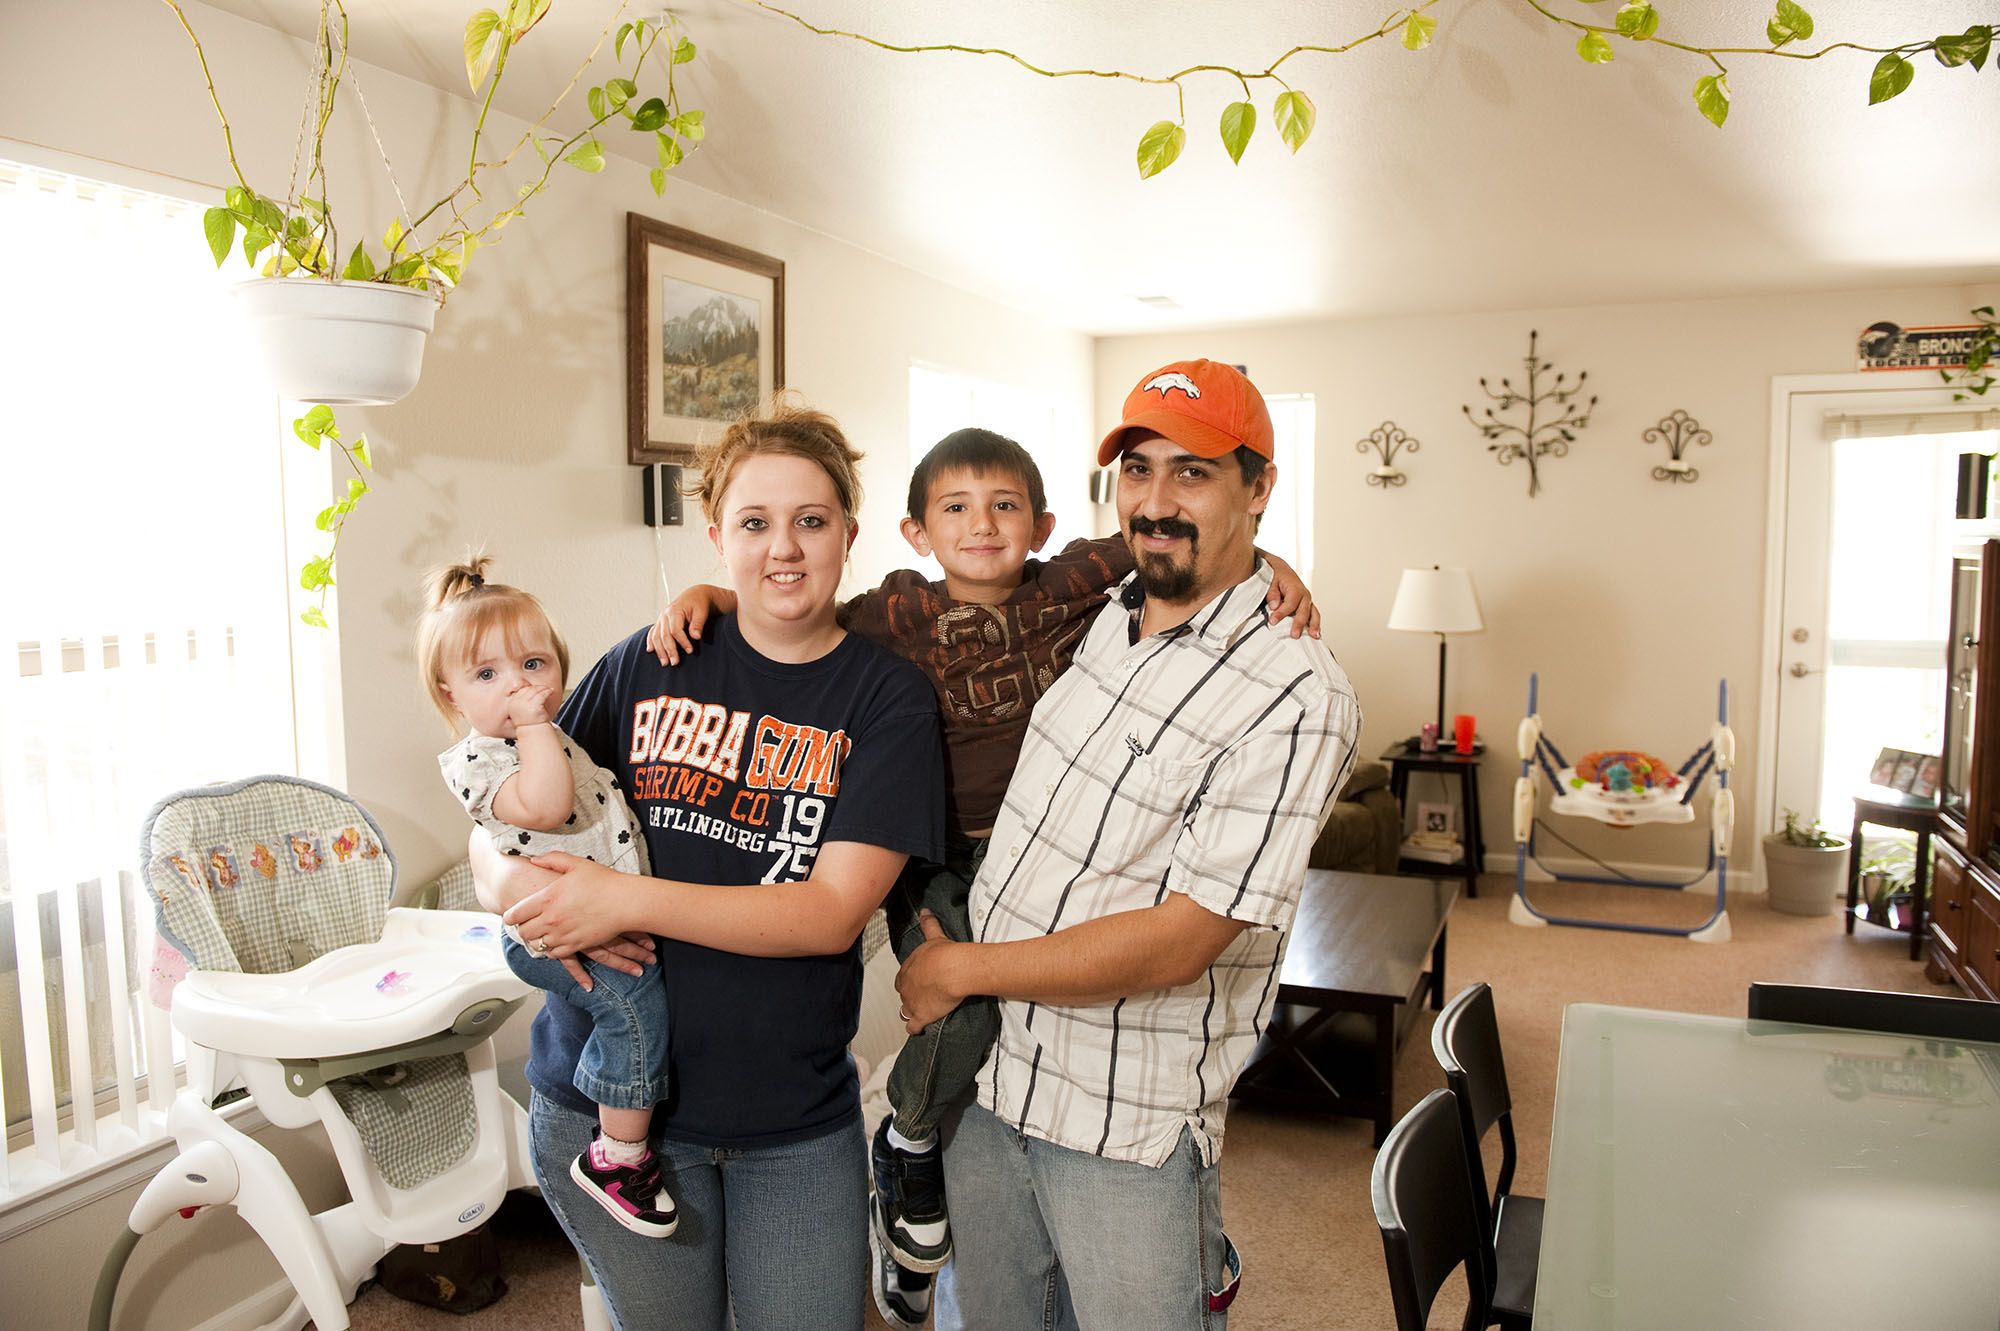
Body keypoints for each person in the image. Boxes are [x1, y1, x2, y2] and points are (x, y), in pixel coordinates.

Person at [649, 426, 1321, 1329]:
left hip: (1119, 1093)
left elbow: (1173, 535)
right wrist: (709, 596)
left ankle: (908, 1137)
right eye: (955, 509)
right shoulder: (897, 609)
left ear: (1041, 523)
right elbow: (793, 607)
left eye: (1005, 508)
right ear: (914, 531)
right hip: (942, 864)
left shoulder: (1076, 592)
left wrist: (1273, 562)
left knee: (964, 995)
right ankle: (913, 1144)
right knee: (958, 1022)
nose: (982, 527)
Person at [894, 359, 1361, 1331]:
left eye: (1191, 473)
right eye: (1136, 470)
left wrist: (958, 967)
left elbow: (1183, 937)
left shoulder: (1295, 691)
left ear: (1259, 487)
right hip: (990, 1077)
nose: (1154, 502)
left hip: (1120, 1124)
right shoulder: (1097, 610)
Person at [471, 399, 946, 1331]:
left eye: (811, 521)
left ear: (849, 531)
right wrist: (521, 892)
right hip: (609, 1113)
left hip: (790, 1124)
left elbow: (827, 913)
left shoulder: (886, 698)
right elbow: (498, 830)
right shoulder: (650, 662)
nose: (785, 549)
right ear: (717, 535)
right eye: (755, 522)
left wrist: (618, 898)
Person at [419, 557, 676, 1239]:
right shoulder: (481, 760)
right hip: (540, 931)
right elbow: (547, 802)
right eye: (487, 675)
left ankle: (614, 1117)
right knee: (631, 1003)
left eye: (535, 664)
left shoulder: (546, 736)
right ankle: (617, 1155)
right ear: (451, 695)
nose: (518, 686)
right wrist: (535, 727)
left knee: (631, 998)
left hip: (578, 912)